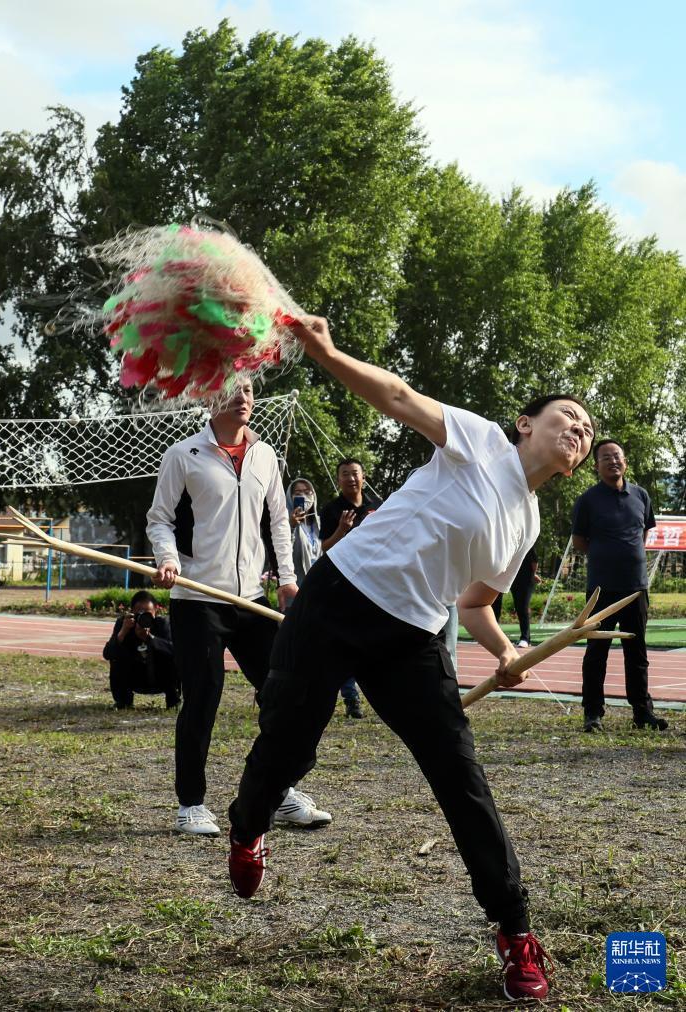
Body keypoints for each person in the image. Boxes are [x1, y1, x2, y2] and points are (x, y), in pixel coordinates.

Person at [226, 316, 596, 1002]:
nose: (577, 428)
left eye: (584, 427)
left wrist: (507, 651)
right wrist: (327, 351)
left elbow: (476, 602)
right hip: (338, 598)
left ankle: (513, 931)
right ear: (524, 423)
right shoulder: (479, 440)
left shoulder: (528, 523)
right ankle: (247, 826)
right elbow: (396, 396)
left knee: (461, 779)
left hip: (412, 638)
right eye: (565, 415)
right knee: (286, 746)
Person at [147, 378, 332, 836]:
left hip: (250, 599)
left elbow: (279, 524)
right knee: (203, 699)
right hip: (195, 600)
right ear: (212, 398)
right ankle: (191, 804)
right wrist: (168, 560)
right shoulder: (183, 456)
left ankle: (281, 793)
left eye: (249, 390)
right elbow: (160, 520)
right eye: (233, 390)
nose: (244, 398)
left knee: (284, 694)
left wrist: (287, 580)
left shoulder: (266, 456)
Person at [572, 439, 668, 733]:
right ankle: (593, 714)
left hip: (636, 588)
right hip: (601, 589)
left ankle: (642, 713)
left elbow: (644, 533)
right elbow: (580, 542)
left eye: (617, 456)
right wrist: (607, 558)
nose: (613, 461)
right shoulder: (587, 500)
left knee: (636, 652)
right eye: (606, 458)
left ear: (625, 461)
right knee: (596, 652)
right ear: (596, 466)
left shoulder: (641, 495)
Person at [319, 459, 383, 718]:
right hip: (344, 582)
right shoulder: (332, 510)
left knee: (374, 642)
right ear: (338, 480)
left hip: (376, 583)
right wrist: (342, 530)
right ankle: (351, 698)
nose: (351, 478)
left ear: (363, 477)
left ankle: (382, 697)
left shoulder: (377, 506)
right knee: (344, 642)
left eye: (355, 473)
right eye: (345, 475)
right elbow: (325, 548)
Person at [102, 590, 180, 709]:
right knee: (117, 658)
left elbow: (176, 652)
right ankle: (123, 701)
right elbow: (108, 654)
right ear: (132, 612)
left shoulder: (163, 624)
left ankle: (173, 700)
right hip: (134, 676)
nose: (144, 618)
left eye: (148, 614)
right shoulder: (124, 624)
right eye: (140, 614)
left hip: (160, 676)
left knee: (174, 659)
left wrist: (151, 639)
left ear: (156, 612)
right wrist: (122, 633)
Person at [491, 546, 541, 647]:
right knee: (494, 603)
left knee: (522, 607)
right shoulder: (503, 541)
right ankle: (491, 636)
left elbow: (534, 561)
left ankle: (525, 638)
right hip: (503, 575)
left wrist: (533, 574)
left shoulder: (526, 539)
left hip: (523, 577)